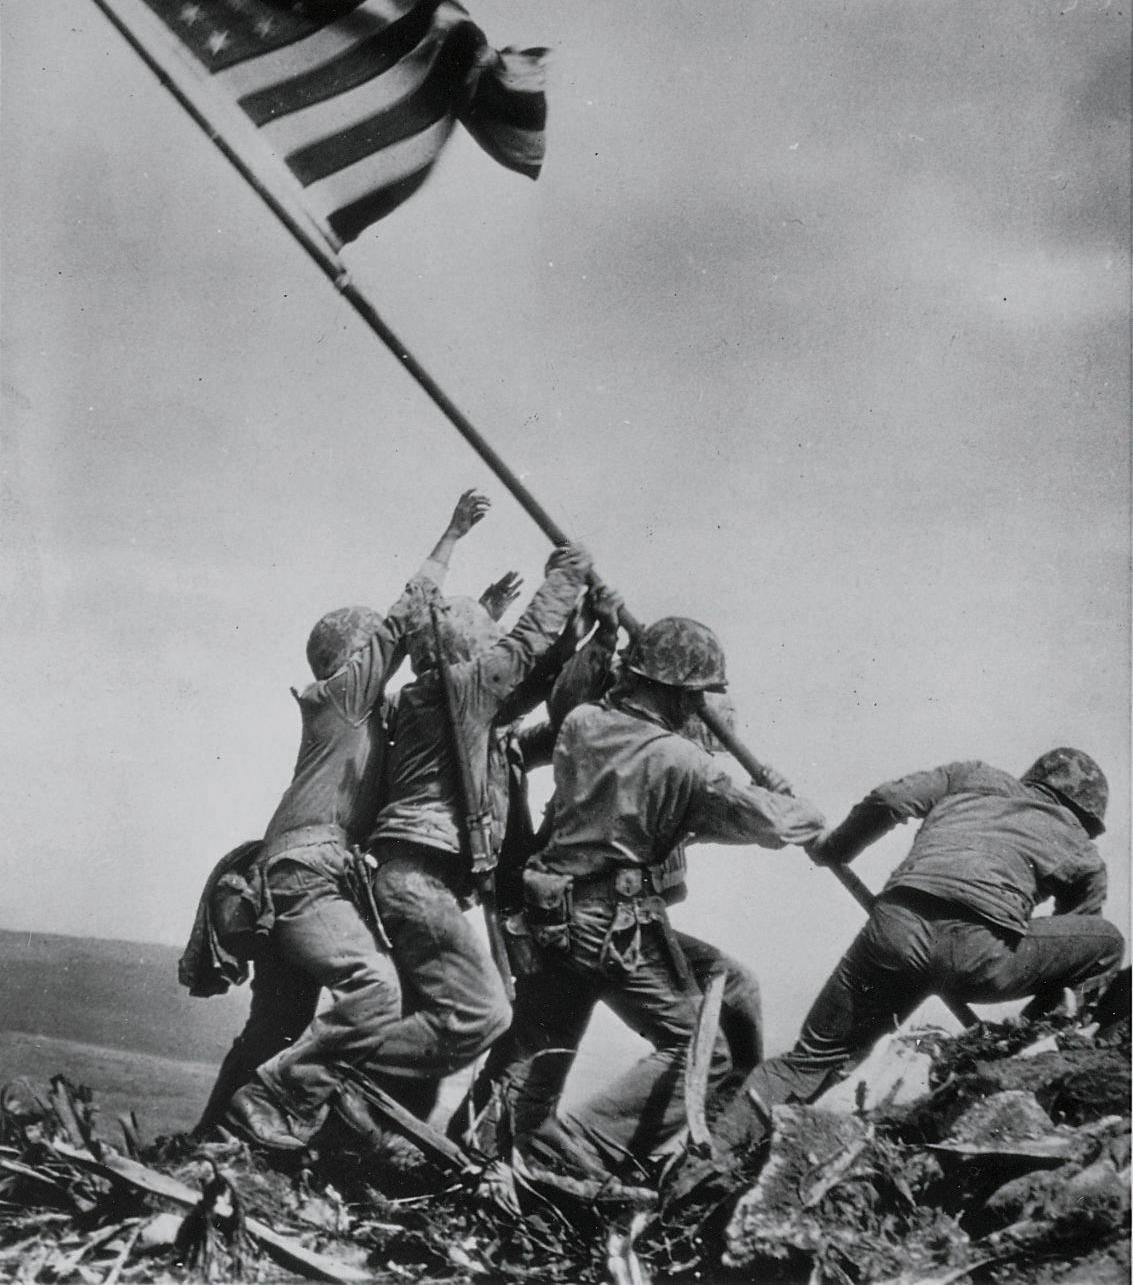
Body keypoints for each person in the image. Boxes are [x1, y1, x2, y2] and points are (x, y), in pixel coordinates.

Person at [671, 746, 1126, 1200]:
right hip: (981, 957)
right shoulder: (1083, 853)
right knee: (1107, 942)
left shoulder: (971, 774)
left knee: (808, 1060)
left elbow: (890, 801)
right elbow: (1071, 945)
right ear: (1085, 815)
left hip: (894, 931)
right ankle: (1029, 1045)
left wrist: (835, 848)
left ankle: (706, 1162)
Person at [201, 490, 492, 1149]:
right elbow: (403, 619)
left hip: (295, 879)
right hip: (307, 874)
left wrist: (480, 623)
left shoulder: (366, 721)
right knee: (375, 991)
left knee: (277, 1024)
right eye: (374, 654)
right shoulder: (341, 698)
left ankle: (211, 1142)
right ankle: (279, 1118)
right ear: (351, 658)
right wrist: (451, 535)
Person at [516, 616, 826, 1181]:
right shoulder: (682, 761)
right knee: (702, 1051)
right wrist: (794, 803)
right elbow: (776, 825)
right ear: (676, 692)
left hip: (554, 911)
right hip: (611, 922)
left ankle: (724, 1126)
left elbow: (654, 807)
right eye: (695, 697)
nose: (698, 709)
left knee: (732, 987)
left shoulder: (584, 724)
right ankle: (585, 1147)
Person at [299, 541, 593, 1125]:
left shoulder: (442, 700)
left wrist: (578, 640)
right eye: (485, 641)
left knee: (445, 1021)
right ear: (467, 653)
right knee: (480, 1014)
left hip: (418, 882)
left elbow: (528, 684)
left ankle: (351, 1122)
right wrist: (564, 578)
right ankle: (319, 1072)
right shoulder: (455, 692)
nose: (495, 648)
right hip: (417, 883)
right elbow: (522, 651)